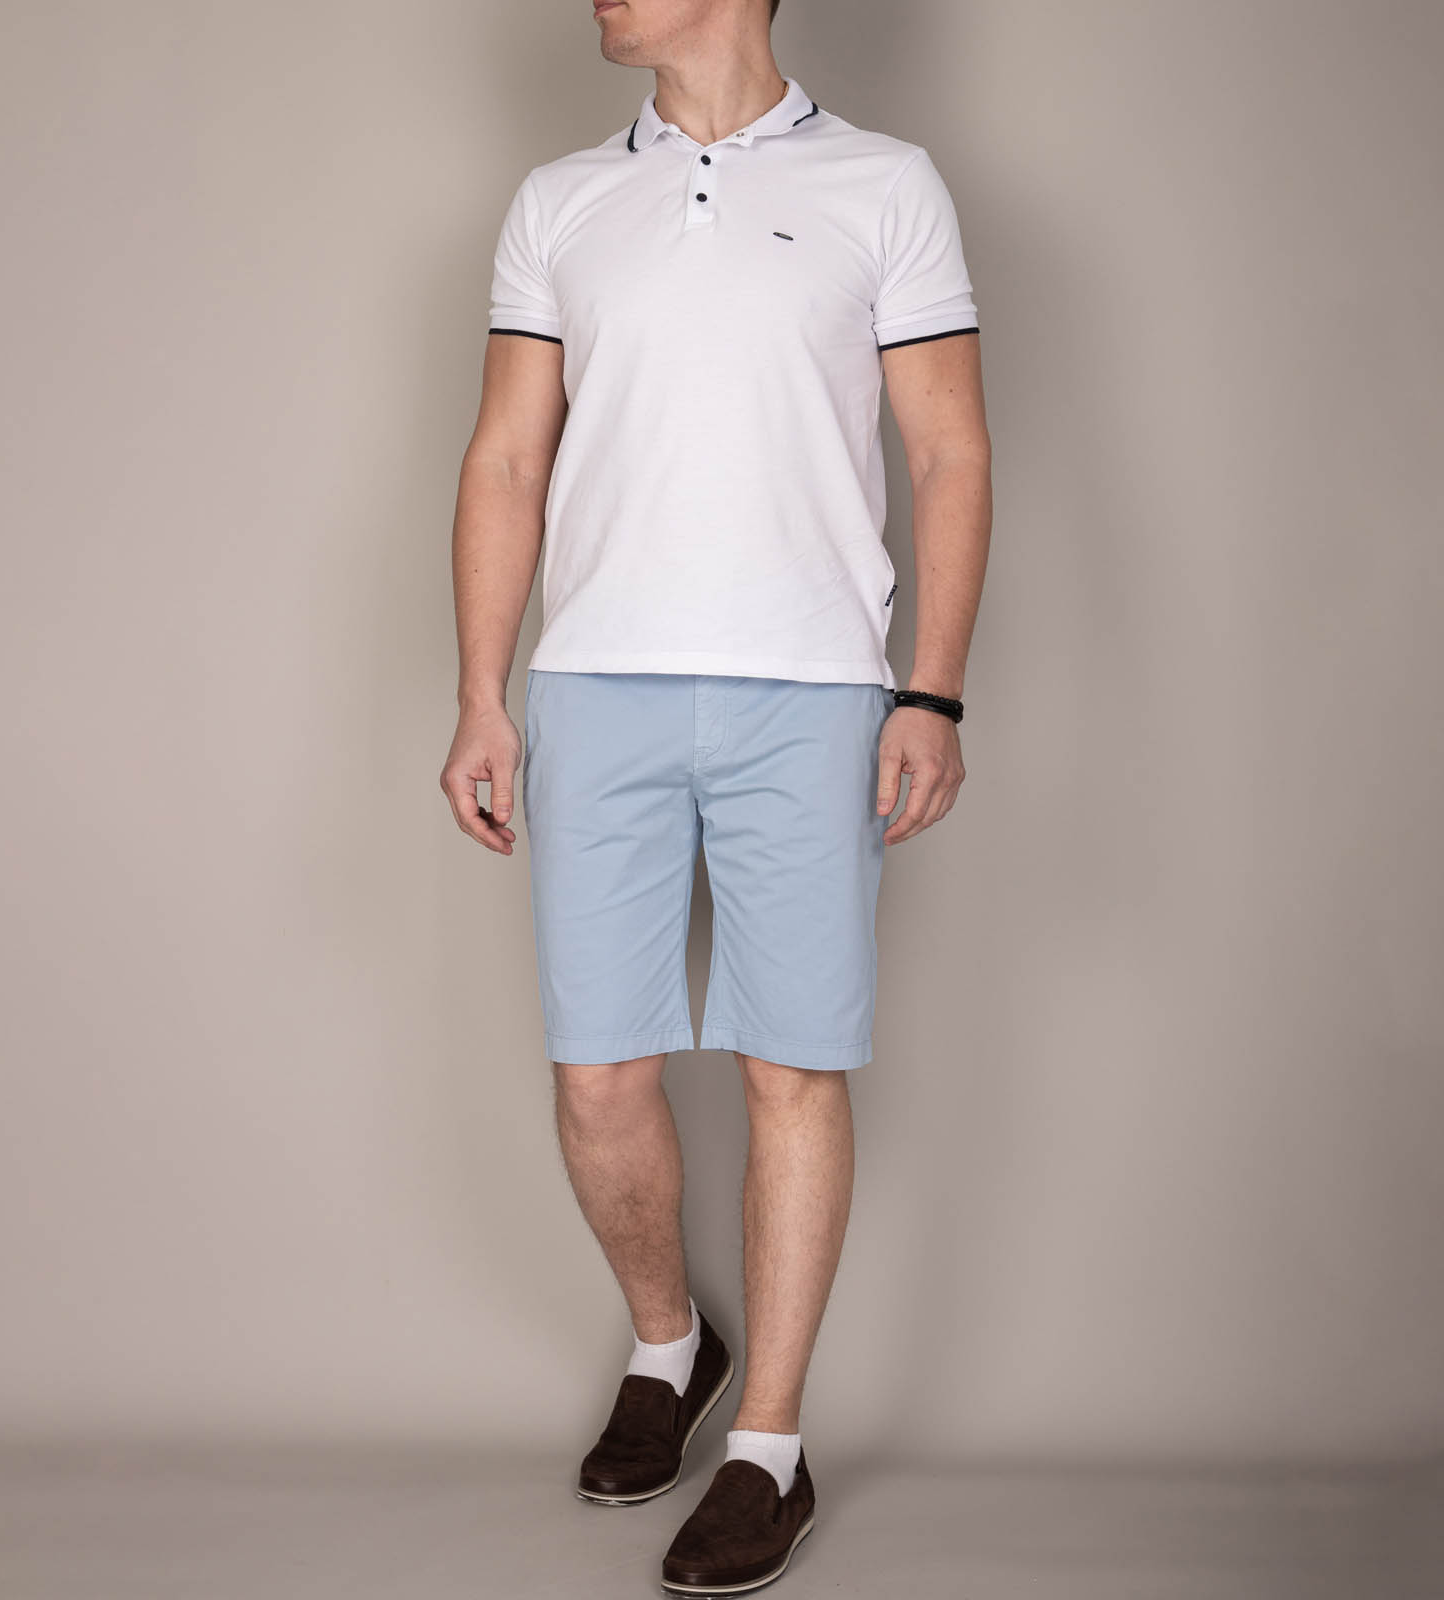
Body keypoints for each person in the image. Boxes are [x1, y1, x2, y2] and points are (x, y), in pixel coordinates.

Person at [441, 0, 990, 1591]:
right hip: (594, 685)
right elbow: (505, 459)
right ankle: (671, 1345)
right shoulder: (560, 200)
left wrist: (931, 690)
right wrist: (482, 692)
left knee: (789, 1068)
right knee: (598, 1076)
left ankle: (769, 1450)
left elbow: (948, 454)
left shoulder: (887, 184)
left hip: (810, 693)